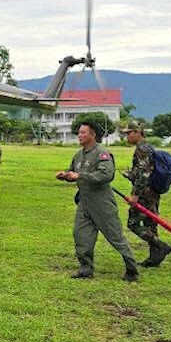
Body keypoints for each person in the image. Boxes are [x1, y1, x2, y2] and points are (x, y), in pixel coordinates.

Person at [56, 120, 139, 282]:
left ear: (93, 135)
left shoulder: (102, 153)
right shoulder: (79, 155)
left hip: (102, 203)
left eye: (83, 132)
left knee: (115, 237)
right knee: (81, 235)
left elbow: (106, 175)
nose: (80, 135)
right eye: (79, 132)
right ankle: (85, 268)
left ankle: (132, 269)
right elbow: (73, 172)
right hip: (84, 202)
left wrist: (80, 176)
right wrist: (66, 176)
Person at [121, 121, 171, 267]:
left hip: (145, 192)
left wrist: (136, 195)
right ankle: (155, 257)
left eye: (129, 133)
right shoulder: (147, 147)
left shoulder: (142, 149)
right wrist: (131, 175)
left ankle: (161, 246)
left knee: (133, 223)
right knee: (151, 223)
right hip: (153, 191)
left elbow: (145, 173)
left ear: (138, 132)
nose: (127, 136)